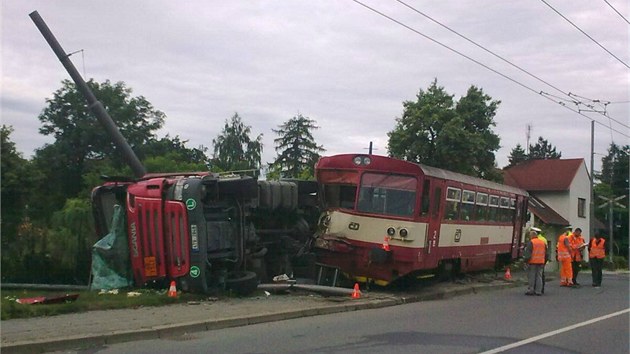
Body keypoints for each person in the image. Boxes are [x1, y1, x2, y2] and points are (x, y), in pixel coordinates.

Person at [523, 229, 549, 296]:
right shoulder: (542, 242)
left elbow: (528, 253)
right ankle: (538, 291)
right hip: (541, 262)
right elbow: (546, 254)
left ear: (532, 236)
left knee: (532, 276)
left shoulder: (531, 242)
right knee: (539, 276)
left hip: (532, 262)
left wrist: (525, 261)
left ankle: (531, 290)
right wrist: (545, 261)